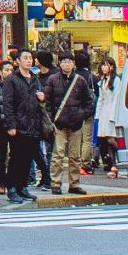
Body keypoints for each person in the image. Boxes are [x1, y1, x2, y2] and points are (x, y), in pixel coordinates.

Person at [48, 52, 99, 196]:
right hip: (59, 124)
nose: (66, 64)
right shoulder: (53, 80)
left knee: (75, 155)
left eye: (69, 61)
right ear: (59, 63)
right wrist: (52, 120)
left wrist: (81, 115)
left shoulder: (80, 80)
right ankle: (56, 183)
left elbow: (89, 102)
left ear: (74, 64)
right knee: (57, 155)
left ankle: (74, 184)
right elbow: (48, 102)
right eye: (63, 61)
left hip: (76, 124)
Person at [0, 53, 46, 204]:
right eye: (25, 58)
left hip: (34, 124)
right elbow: (7, 104)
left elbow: (41, 101)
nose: (28, 60)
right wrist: (10, 125)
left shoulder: (35, 78)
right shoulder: (12, 80)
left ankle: (22, 187)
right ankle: (12, 188)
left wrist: (43, 98)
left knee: (28, 158)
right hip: (18, 125)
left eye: (30, 58)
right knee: (16, 158)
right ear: (17, 61)